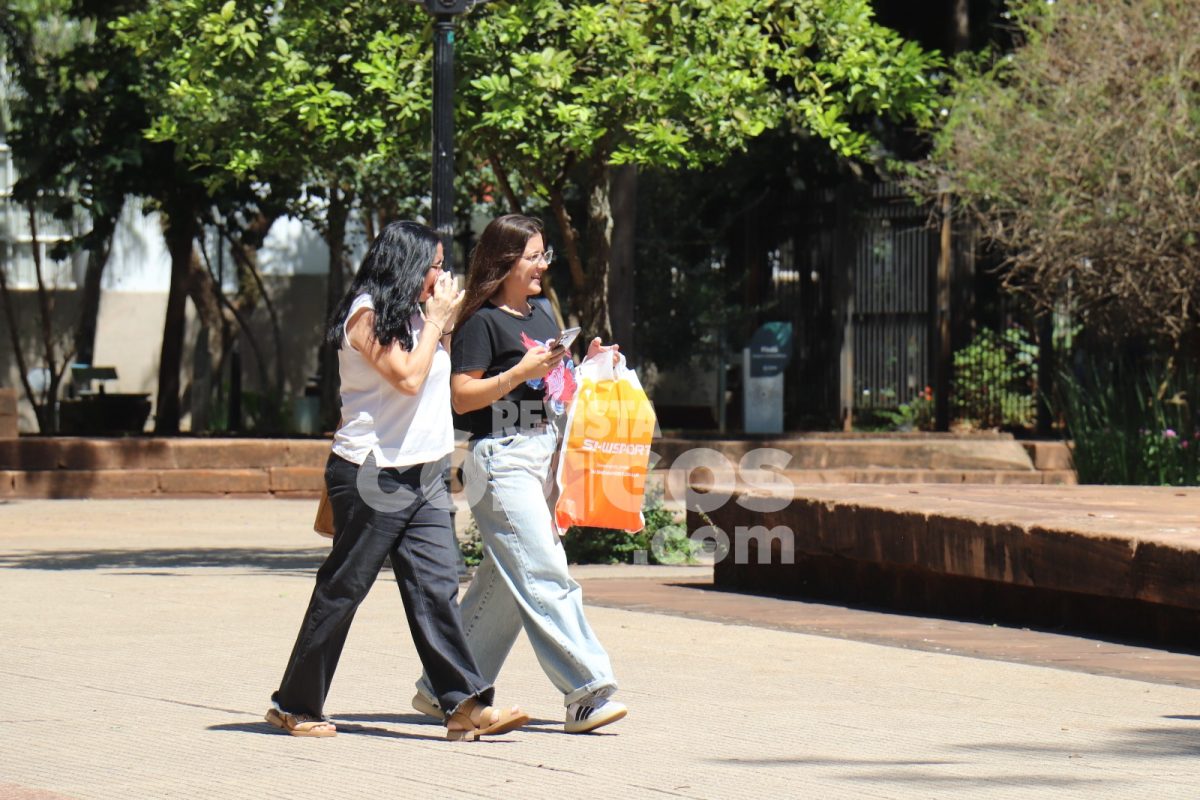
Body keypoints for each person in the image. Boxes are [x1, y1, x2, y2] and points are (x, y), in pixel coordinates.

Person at [265, 220, 528, 741]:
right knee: (345, 587)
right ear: (407, 264)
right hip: (372, 473)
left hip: (426, 471)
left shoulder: (418, 314)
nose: (441, 275)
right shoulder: (365, 314)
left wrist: (444, 323)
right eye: (434, 266)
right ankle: (294, 704)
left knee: (435, 587)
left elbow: (434, 376)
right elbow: (407, 378)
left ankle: (465, 705)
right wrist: (435, 323)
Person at [412, 214, 627, 734]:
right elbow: (462, 398)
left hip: (543, 455)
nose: (542, 266)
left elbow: (556, 385)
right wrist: (516, 374)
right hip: (500, 460)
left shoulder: (544, 313)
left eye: (544, 255)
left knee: (509, 584)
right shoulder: (480, 321)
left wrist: (589, 365)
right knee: (546, 572)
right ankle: (586, 691)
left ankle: (444, 687)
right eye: (534, 256)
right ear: (506, 261)